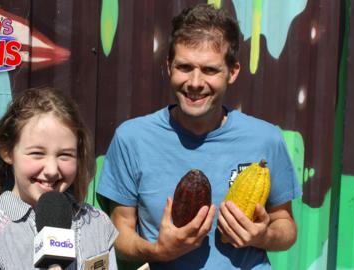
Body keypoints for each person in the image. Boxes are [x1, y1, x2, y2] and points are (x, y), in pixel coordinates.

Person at [97, 3, 301, 270]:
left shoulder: (266, 139)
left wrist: (264, 235)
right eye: (184, 67)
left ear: (233, 71)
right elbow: (119, 232)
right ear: (169, 66)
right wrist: (158, 250)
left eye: (209, 70)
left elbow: (286, 226)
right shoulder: (132, 139)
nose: (194, 82)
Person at [0, 87, 118, 270]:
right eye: (37, 153)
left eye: (65, 155)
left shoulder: (96, 223)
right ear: (7, 152)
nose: (52, 170)